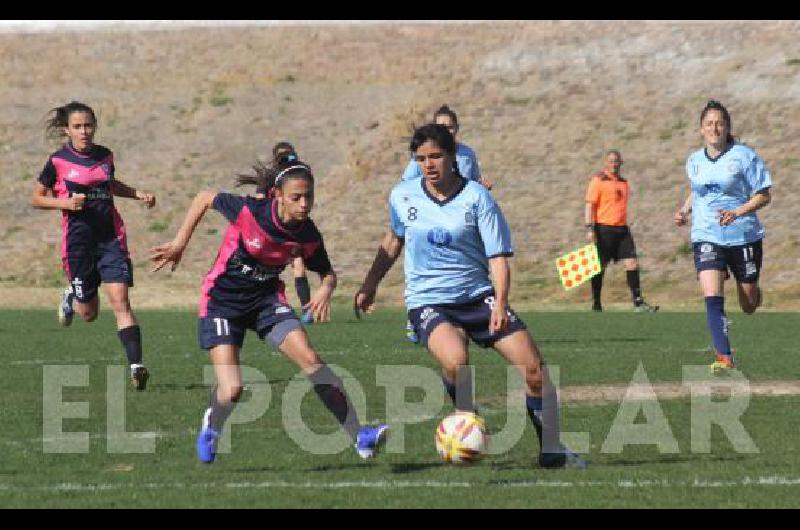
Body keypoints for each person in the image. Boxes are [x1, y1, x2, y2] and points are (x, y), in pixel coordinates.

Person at [355, 123, 586, 469]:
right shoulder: (403, 196)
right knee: (456, 360)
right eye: (420, 158)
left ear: (453, 157)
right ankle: (465, 416)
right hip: (428, 300)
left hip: (478, 297)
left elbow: (498, 257)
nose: (428, 164)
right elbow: (393, 240)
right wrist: (369, 284)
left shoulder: (478, 198)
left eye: (436, 156)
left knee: (535, 370)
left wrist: (501, 303)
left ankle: (551, 450)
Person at [150, 155, 388, 463]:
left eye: (309, 197)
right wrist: (179, 243)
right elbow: (204, 198)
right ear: (277, 196)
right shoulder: (250, 212)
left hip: (266, 302)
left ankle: (359, 435)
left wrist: (326, 289)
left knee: (313, 361)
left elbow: (327, 273)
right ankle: (213, 425)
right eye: (296, 197)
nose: (304, 204)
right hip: (222, 302)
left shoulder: (307, 235)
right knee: (232, 389)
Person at [31, 101, 155, 390]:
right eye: (77, 127)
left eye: (88, 125)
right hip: (78, 243)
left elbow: (109, 185)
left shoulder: (105, 155)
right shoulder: (58, 161)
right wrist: (64, 202)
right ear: (67, 130)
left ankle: (136, 365)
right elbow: (37, 198)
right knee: (89, 313)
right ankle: (71, 295)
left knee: (120, 301)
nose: (84, 131)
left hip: (111, 237)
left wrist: (138, 194)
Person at [675, 100, 772, 374]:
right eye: (709, 123)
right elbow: (698, 190)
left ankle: (752, 289)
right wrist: (684, 210)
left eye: (719, 123)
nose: (714, 128)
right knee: (711, 294)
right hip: (706, 234)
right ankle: (724, 356)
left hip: (743, 236)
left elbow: (764, 194)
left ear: (727, 127)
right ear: (701, 129)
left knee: (748, 303)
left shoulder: (744, 156)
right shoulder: (693, 161)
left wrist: (738, 212)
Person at [400, 104, 493, 343]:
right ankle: (418, 315)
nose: (446, 130)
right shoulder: (422, 159)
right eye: (441, 126)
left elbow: (470, 184)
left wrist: (480, 189)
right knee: (423, 265)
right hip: (429, 219)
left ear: (457, 129)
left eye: (450, 127)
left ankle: (470, 307)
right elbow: (407, 188)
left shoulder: (466, 154)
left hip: (458, 218)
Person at [238, 141, 314, 325]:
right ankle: (300, 309)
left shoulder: (291, 173)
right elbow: (259, 203)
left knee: (297, 266)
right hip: (270, 231)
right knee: (275, 269)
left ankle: (306, 310)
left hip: (287, 229)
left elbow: (259, 201)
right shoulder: (283, 175)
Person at [584, 150, 658, 313]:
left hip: (622, 229)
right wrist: (590, 228)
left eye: (616, 161)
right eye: (611, 161)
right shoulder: (598, 180)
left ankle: (638, 302)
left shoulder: (624, 183)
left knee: (632, 263)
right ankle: (596, 302)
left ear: (621, 163)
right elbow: (590, 205)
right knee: (599, 266)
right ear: (605, 163)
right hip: (603, 229)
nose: (614, 164)